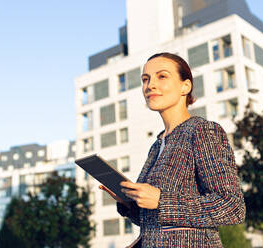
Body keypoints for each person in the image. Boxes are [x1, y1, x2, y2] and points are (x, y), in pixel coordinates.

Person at [100, 52, 245, 247]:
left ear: (185, 86)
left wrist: (161, 201)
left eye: (162, 76)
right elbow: (157, 221)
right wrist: (129, 203)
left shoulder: (201, 131)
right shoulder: (157, 145)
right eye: (145, 79)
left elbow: (232, 207)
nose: (150, 85)